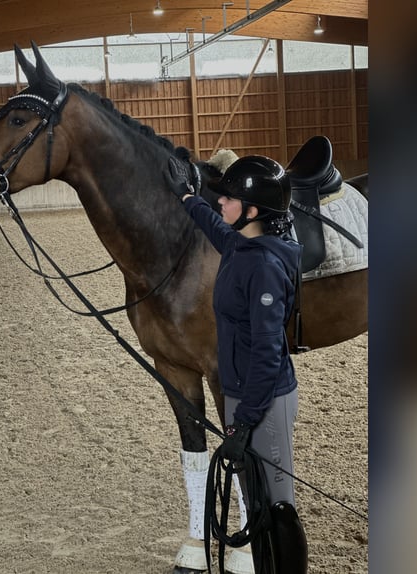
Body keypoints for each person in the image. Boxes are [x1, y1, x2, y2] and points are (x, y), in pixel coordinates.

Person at [165, 154, 308, 573]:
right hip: (243, 398)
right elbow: (213, 225)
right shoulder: (241, 245)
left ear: (253, 210)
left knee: (278, 506)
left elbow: (267, 352)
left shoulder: (262, 265)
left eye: (227, 199)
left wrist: (244, 420)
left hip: (264, 403)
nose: (220, 204)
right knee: (256, 504)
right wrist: (187, 197)